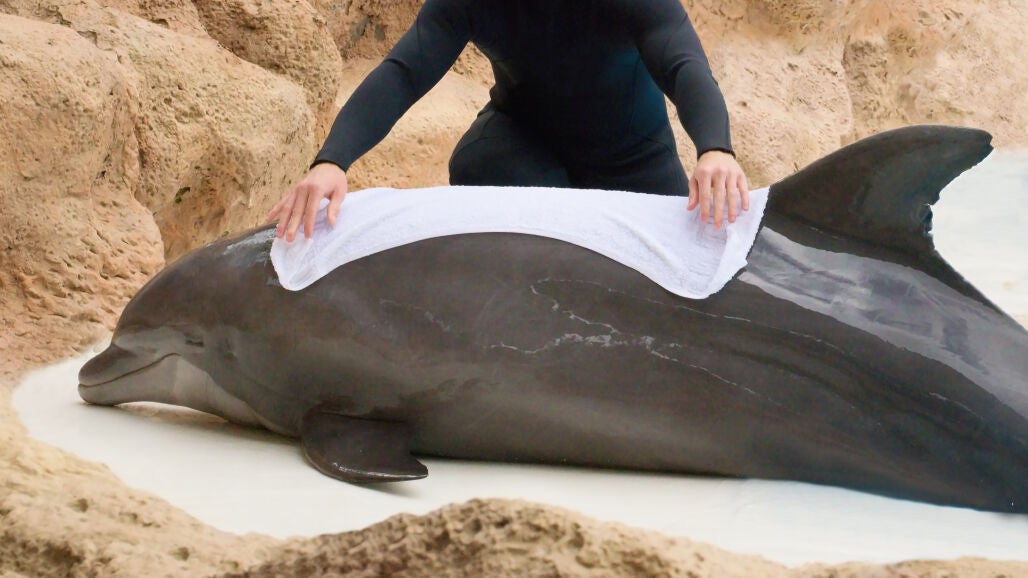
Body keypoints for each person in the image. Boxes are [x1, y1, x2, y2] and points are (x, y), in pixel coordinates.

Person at [269, 0, 749, 241]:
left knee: (690, 248)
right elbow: (404, 72)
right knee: (482, 166)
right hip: (524, 142)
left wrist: (715, 149)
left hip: (633, 157)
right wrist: (332, 161)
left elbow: (683, 63)